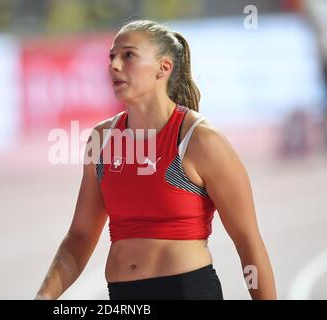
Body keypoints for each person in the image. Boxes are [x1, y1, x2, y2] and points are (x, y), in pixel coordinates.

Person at [35, 19, 277, 300]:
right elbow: (79, 237)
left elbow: (248, 241)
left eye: (128, 55)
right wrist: (44, 296)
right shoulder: (101, 140)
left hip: (188, 292)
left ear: (163, 68)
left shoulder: (200, 141)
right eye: (112, 57)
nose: (114, 65)